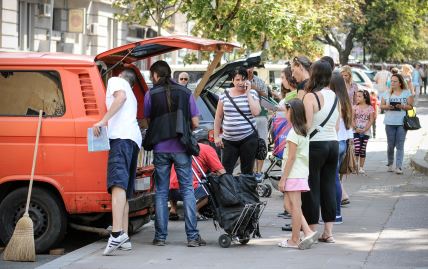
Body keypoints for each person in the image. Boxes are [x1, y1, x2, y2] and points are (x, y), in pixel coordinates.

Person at [143, 60, 206, 247]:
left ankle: (160, 237)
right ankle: (192, 237)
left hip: (160, 148)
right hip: (181, 148)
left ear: (155, 75)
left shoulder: (150, 94)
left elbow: (147, 120)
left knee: (161, 192)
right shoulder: (186, 92)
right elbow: (195, 123)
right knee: (187, 190)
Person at [93, 69, 142, 255]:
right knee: (124, 190)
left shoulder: (116, 81)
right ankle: (125, 237)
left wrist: (103, 121)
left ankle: (115, 234)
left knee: (117, 185)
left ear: (121, 76)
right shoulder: (133, 94)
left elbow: (119, 97)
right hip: (133, 139)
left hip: (120, 138)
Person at [302, 60, 339, 243]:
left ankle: (312, 231)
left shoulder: (310, 97)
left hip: (315, 145)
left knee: (312, 187)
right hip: (333, 143)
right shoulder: (334, 95)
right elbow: (337, 125)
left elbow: (307, 125)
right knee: (329, 186)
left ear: (313, 74)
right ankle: (329, 233)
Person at [277, 99, 319, 249]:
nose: (284, 113)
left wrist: (283, 178)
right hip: (299, 173)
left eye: (286, 110)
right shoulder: (302, 130)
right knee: (289, 205)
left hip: (294, 174)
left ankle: (295, 240)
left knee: (294, 206)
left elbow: (291, 158)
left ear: (292, 112)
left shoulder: (293, 132)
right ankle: (307, 231)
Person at [214, 67, 261, 175]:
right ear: (232, 80)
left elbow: (256, 112)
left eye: (243, 79)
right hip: (228, 140)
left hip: (248, 138)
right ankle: (228, 192)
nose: (240, 82)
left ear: (247, 80)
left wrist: (248, 93)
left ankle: (246, 192)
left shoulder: (253, 93)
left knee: (247, 171)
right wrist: (216, 136)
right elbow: (218, 117)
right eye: (237, 80)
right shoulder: (224, 94)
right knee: (225, 171)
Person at [169, 142, 226, 221]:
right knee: (209, 189)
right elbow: (221, 171)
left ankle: (173, 209)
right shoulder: (208, 149)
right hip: (187, 189)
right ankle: (193, 210)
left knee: (174, 179)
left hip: (169, 191)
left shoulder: (184, 147)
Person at [329, 73, 353, 224]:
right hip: (343, 142)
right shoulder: (346, 101)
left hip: (335, 141)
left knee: (332, 179)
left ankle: (336, 213)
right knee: (335, 178)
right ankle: (335, 213)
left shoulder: (334, 100)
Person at [380, 73, 414, 174]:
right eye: (391, 81)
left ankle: (399, 167)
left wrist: (402, 106)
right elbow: (381, 106)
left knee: (400, 145)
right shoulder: (386, 93)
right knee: (390, 145)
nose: (392, 83)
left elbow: (411, 107)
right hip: (389, 122)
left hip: (402, 123)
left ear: (400, 83)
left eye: (395, 81)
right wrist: (387, 107)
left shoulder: (406, 93)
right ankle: (390, 163)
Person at [247, 67, 269, 182]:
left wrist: (256, 89)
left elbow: (266, 96)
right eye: (246, 67)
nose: (248, 69)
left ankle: (259, 172)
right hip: (247, 117)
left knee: (261, 144)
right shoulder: (240, 80)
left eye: (250, 67)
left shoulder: (259, 81)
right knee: (248, 144)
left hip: (261, 116)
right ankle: (248, 172)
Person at [352, 90, 375, 174]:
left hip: (366, 132)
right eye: (356, 96)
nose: (357, 98)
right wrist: (355, 128)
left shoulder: (370, 108)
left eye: (359, 96)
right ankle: (355, 166)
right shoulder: (354, 107)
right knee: (357, 148)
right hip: (356, 131)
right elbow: (352, 119)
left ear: (365, 98)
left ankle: (361, 167)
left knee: (362, 149)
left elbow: (371, 119)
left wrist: (365, 129)